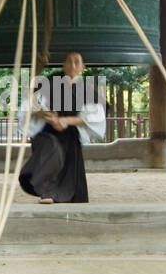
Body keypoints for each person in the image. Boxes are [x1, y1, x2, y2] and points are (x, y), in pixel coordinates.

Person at [18, 51, 105, 203]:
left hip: (70, 136)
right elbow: (29, 107)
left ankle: (60, 197)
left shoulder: (88, 90)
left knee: (69, 171)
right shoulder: (48, 83)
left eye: (76, 62)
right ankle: (48, 193)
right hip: (47, 133)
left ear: (82, 67)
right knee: (52, 151)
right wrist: (45, 115)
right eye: (69, 61)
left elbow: (94, 117)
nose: (72, 65)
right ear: (63, 64)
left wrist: (66, 121)